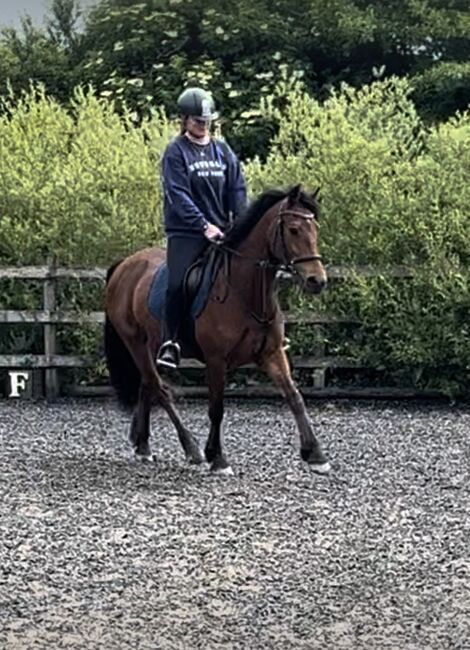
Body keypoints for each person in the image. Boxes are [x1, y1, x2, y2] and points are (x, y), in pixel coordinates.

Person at [156, 87, 248, 369]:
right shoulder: (176, 152)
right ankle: (170, 342)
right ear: (184, 120)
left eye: (206, 121)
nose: (203, 125)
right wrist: (203, 225)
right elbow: (178, 194)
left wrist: (242, 223)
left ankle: (265, 333)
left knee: (256, 272)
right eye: (197, 121)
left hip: (223, 229)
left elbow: (237, 186)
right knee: (177, 283)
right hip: (187, 234)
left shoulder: (222, 150)